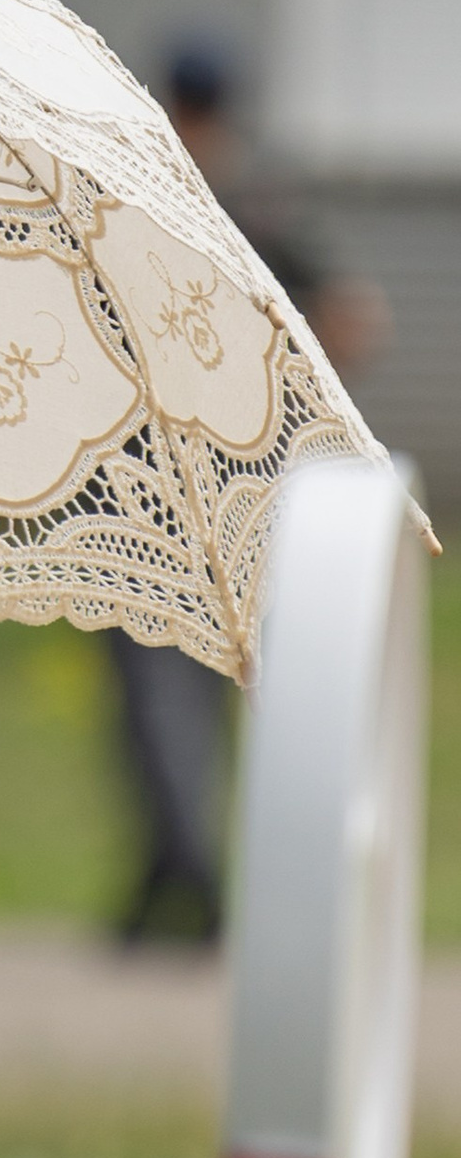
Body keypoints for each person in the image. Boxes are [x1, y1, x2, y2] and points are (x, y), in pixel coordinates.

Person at [107, 47, 390, 944]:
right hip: (241, 493)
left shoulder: (144, 201)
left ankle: (188, 869)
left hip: (156, 491)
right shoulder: (264, 212)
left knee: (157, 695)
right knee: (208, 693)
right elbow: (357, 321)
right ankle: (177, 872)